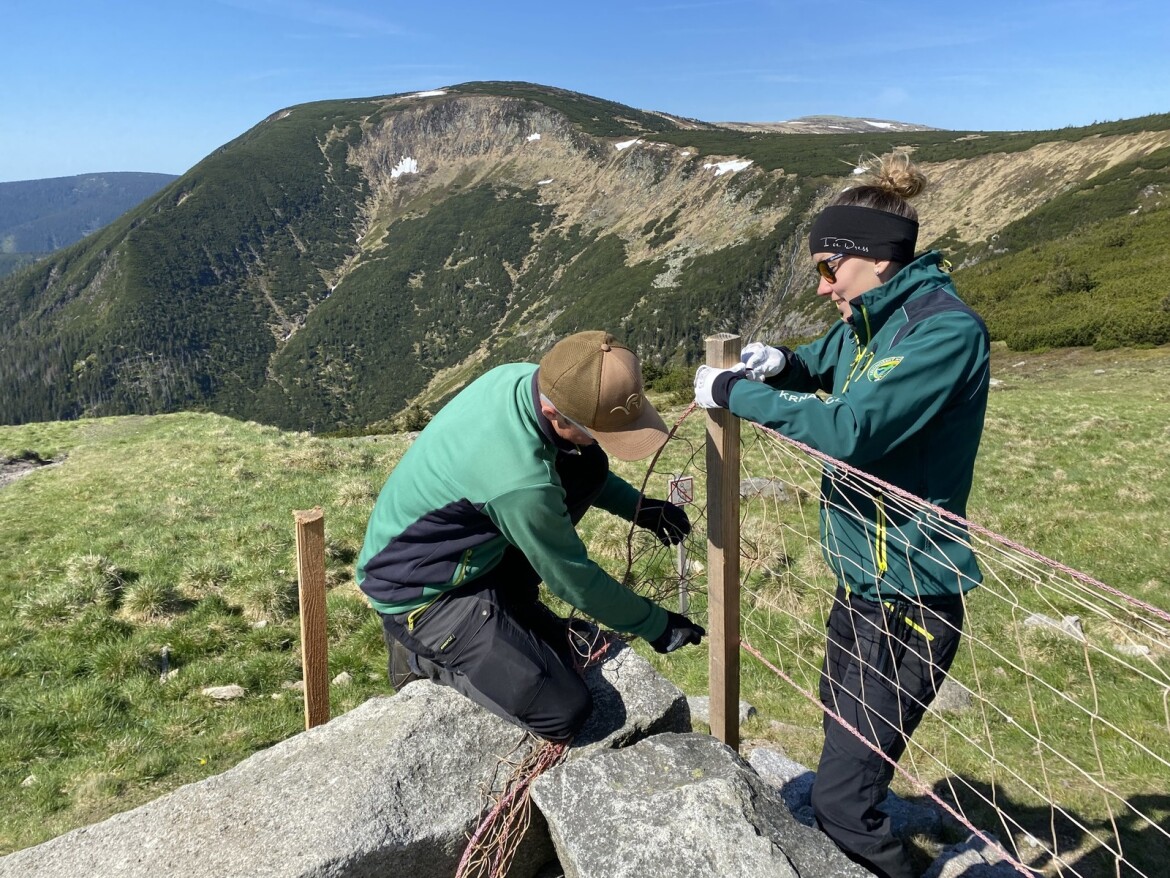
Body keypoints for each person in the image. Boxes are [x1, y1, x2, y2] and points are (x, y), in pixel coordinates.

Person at [694, 152, 990, 878]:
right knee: (839, 726)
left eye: (831, 268)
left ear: (878, 259)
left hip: (909, 598)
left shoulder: (941, 333)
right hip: (864, 583)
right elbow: (825, 364)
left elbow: (849, 430)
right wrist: (781, 365)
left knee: (842, 805)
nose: (824, 286)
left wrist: (735, 395)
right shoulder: (873, 320)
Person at [357, 330, 705, 742]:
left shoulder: (525, 379)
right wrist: (657, 625)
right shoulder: (521, 483)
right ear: (554, 413)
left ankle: (508, 604)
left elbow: (580, 471)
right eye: (599, 430)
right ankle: (422, 654)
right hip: (420, 592)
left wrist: (639, 507)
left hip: (461, 549)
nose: (602, 441)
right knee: (564, 711)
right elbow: (572, 579)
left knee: (587, 462)